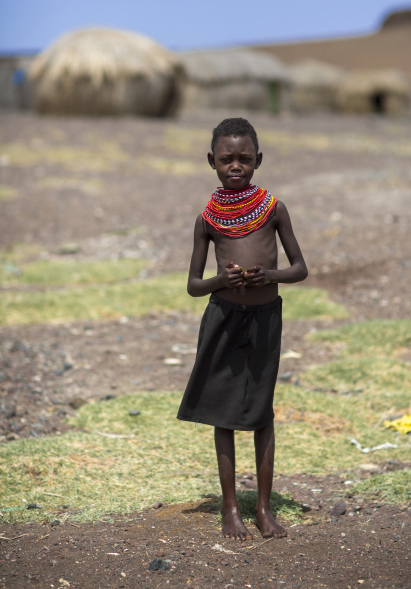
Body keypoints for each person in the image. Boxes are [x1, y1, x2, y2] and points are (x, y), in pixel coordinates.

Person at [177, 117, 308, 540]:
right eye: (226, 159)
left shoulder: (274, 209)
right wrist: (223, 281)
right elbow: (195, 285)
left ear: (259, 161)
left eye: (245, 159)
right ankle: (230, 510)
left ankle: (265, 510)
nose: (236, 166)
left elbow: (300, 269)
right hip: (223, 318)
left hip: (266, 319)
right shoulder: (207, 220)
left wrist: (269, 274)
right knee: (224, 413)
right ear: (211, 161)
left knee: (262, 412)